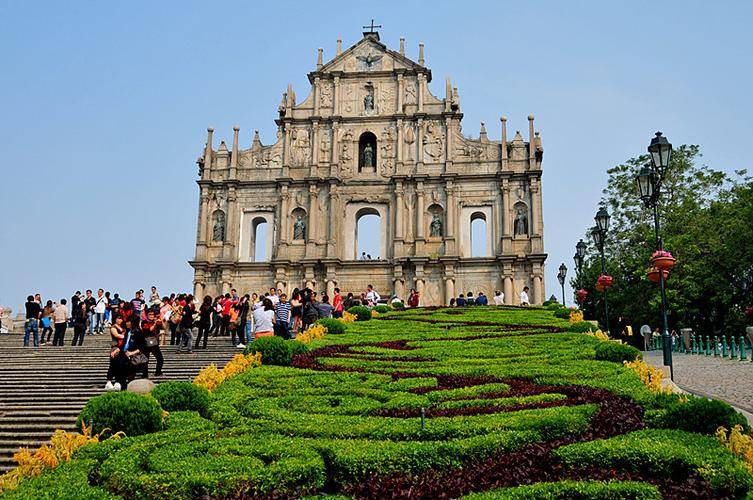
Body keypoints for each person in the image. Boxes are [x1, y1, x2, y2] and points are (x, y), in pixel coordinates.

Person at [105, 315, 127, 391]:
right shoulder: (113, 327)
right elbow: (117, 335)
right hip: (115, 347)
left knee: (120, 365)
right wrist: (126, 336)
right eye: (118, 318)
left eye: (121, 318)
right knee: (112, 364)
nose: (120, 320)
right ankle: (109, 382)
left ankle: (117, 382)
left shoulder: (124, 327)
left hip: (122, 348)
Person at [141, 309, 164, 376]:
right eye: (150, 314)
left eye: (153, 315)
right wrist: (154, 324)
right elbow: (148, 330)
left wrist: (161, 322)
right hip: (146, 343)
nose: (151, 316)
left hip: (154, 343)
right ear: (147, 315)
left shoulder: (156, 321)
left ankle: (158, 372)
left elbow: (164, 328)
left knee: (160, 359)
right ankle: (145, 374)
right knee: (145, 360)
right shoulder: (144, 322)